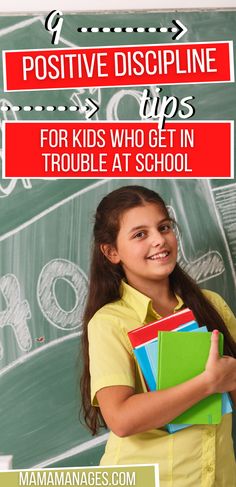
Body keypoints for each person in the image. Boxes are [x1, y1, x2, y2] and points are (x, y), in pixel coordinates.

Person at [80, 185, 236, 487]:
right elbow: (122, 420)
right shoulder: (111, 322)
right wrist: (208, 383)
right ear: (111, 252)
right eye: (140, 234)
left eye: (164, 227)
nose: (159, 240)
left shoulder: (211, 305)